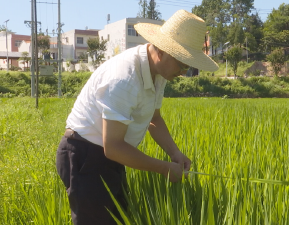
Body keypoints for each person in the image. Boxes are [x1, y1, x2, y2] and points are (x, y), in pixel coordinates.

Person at [56, 9, 218, 225]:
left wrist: (175, 154)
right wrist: (164, 169)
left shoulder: (157, 72)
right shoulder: (124, 78)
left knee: (120, 219)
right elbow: (112, 146)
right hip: (85, 156)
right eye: (182, 64)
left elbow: (154, 118)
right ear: (162, 51)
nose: (183, 72)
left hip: (109, 157)